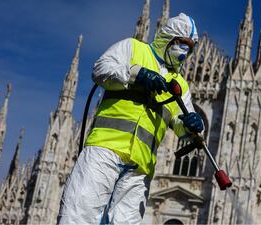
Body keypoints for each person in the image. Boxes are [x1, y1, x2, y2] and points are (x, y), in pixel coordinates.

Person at [57, 13, 204, 225]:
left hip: (140, 167)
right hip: (105, 149)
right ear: (170, 37)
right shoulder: (133, 48)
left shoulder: (179, 84)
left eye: (190, 48)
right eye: (183, 44)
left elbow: (182, 123)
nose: (185, 52)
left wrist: (191, 126)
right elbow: (101, 69)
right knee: (79, 213)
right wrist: (136, 74)